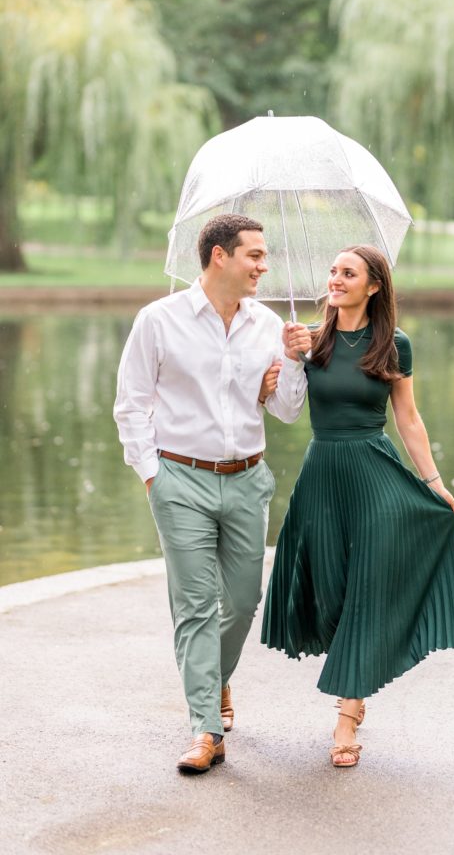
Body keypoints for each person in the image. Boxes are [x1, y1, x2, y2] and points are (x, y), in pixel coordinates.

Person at [261, 244, 454, 768]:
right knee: (331, 590)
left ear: (373, 286)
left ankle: (348, 714)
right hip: (322, 477)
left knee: (366, 589)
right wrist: (287, 362)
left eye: (348, 273)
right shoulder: (309, 340)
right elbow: (284, 407)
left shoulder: (393, 345)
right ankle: (354, 683)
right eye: (332, 271)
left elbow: (408, 419)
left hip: (374, 474)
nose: (335, 279)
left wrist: (434, 481)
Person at [114, 213, 311, 774]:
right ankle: (205, 729)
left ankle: (215, 679)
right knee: (195, 607)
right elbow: (131, 405)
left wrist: (294, 361)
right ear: (219, 256)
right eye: (254, 255)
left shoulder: (268, 325)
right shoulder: (158, 320)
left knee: (244, 602)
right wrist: (153, 476)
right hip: (180, 480)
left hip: (248, 479)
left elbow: (287, 410)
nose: (263, 266)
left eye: (265, 255)